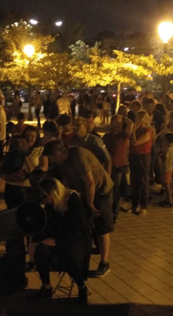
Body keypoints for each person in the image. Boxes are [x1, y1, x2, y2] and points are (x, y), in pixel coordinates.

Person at [43, 140, 114, 278]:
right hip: (85, 192)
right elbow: (67, 182)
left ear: (57, 153)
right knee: (86, 223)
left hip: (100, 191)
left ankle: (104, 262)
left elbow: (90, 182)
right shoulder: (63, 162)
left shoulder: (78, 155)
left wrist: (90, 203)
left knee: (102, 226)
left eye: (51, 157)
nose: (51, 161)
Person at [33, 178, 92, 304]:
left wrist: (58, 242)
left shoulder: (72, 199)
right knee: (40, 251)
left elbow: (78, 228)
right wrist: (36, 240)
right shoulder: (50, 204)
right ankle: (46, 286)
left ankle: (82, 287)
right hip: (59, 237)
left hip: (77, 239)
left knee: (69, 254)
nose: (43, 200)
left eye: (44, 196)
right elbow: (48, 225)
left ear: (53, 193)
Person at [103, 115, 132, 222]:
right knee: (110, 191)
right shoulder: (107, 136)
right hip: (110, 167)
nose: (115, 124)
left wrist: (124, 118)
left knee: (116, 192)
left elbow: (130, 125)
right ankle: (110, 213)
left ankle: (114, 215)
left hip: (119, 167)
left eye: (117, 122)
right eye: (114, 122)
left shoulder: (123, 135)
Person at [129, 110, 153, 216]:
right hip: (134, 156)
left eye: (137, 118)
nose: (135, 120)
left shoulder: (147, 131)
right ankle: (135, 204)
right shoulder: (138, 129)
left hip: (143, 157)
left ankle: (144, 205)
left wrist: (133, 130)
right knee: (134, 181)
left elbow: (135, 142)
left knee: (143, 181)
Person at [158, 132, 173, 207]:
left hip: (167, 168)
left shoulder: (169, 149)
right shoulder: (171, 147)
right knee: (166, 184)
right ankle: (167, 199)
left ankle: (170, 201)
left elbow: (165, 158)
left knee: (167, 184)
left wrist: (160, 154)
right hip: (169, 167)